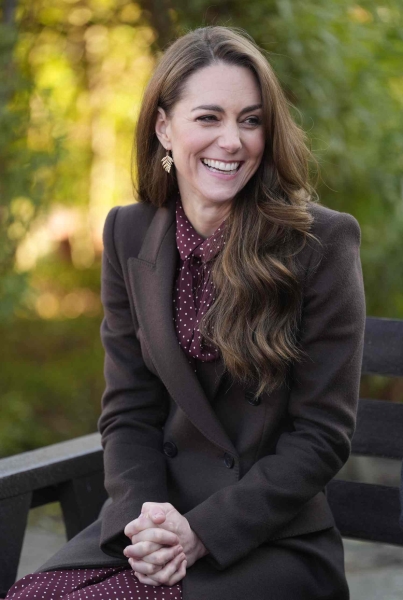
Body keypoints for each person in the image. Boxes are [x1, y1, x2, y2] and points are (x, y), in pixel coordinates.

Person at [6, 25, 366, 600]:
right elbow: (129, 408)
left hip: (264, 540)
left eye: (251, 120)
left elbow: (320, 437)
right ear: (163, 127)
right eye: (208, 118)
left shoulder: (320, 243)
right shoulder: (129, 232)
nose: (233, 140)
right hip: (151, 528)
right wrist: (142, 521)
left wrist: (200, 533)